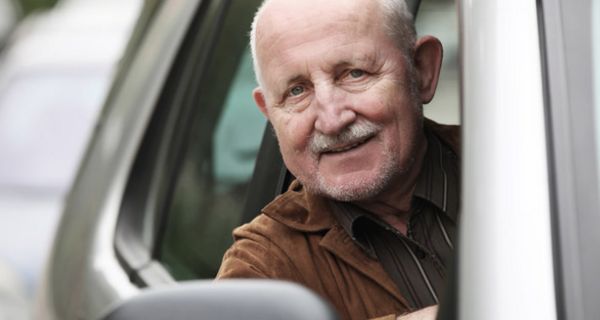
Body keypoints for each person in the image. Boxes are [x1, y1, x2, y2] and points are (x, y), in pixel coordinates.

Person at [217, 0, 459, 319]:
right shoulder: (265, 265)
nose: (331, 120)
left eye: (354, 74)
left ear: (422, 71)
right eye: (297, 92)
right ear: (269, 114)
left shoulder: (527, 166)